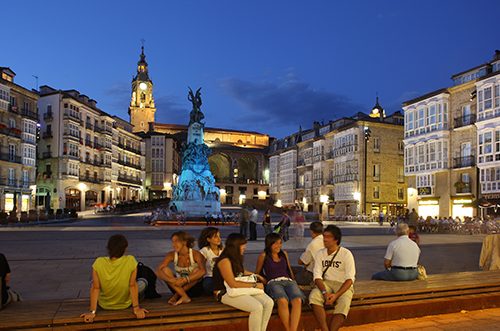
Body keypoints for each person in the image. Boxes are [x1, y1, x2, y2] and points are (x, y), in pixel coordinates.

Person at [212, 233, 274, 331]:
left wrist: (256, 275)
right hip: (225, 292)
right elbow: (232, 283)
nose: (245, 247)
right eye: (243, 245)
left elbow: (240, 271)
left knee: (269, 302)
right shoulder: (224, 261)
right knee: (256, 307)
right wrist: (254, 285)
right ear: (236, 246)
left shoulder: (235, 257)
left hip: (240, 289)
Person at [80, 234, 148, 323]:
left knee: (94, 283)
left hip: (104, 304)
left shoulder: (98, 262)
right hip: (125, 304)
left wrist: (92, 312)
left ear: (108, 248)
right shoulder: (131, 260)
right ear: (124, 248)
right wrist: (136, 308)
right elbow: (132, 285)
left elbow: (95, 288)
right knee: (143, 282)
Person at [309, 225, 356, 331]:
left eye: (328, 237)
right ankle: (325, 329)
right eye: (324, 236)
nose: (325, 239)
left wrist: (336, 295)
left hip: (342, 284)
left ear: (336, 239)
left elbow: (350, 279)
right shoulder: (320, 253)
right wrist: (325, 293)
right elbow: (317, 277)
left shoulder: (346, 254)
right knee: (314, 296)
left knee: (344, 303)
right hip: (326, 283)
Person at [255, 233, 304, 331]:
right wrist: (263, 279)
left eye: (280, 243)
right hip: (273, 282)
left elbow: (289, 270)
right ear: (269, 244)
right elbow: (257, 273)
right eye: (275, 243)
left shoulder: (284, 254)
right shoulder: (264, 255)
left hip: (288, 281)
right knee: (282, 300)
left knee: (297, 300)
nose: (278, 246)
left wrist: (295, 282)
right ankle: (288, 329)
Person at [156, 231, 206, 305]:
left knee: (197, 270)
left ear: (185, 242)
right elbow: (158, 270)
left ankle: (177, 296)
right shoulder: (171, 255)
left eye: (176, 242)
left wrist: (185, 280)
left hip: (194, 289)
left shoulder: (195, 254)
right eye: (172, 242)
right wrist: (172, 280)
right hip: (177, 287)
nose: (173, 245)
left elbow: (203, 271)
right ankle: (184, 296)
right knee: (164, 270)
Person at [296, 221, 324, 285]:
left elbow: (301, 261)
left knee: (295, 276)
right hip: (326, 272)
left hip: (313, 274)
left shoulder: (312, 244)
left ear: (311, 231)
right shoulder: (326, 240)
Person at [198, 227, 222, 295]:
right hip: (210, 277)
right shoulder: (205, 251)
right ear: (208, 239)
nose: (219, 239)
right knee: (208, 284)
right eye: (215, 237)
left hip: (222, 276)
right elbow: (200, 267)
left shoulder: (223, 250)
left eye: (219, 236)